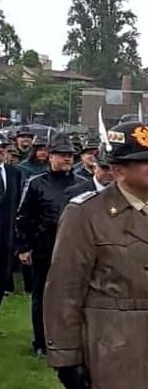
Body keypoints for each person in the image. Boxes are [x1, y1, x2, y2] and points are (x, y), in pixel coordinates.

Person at [43, 121, 148, 389]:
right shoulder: (86, 214)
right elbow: (64, 289)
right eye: (145, 161)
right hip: (114, 348)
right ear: (118, 169)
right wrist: (67, 358)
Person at [14, 131, 79, 356]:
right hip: (44, 248)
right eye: (62, 155)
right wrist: (23, 247)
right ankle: (41, 341)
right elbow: (23, 217)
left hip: (74, 251)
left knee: (72, 297)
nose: (67, 159)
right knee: (41, 296)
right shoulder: (36, 184)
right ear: (50, 156)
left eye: (70, 155)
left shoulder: (82, 184)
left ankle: (67, 341)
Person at [0, 134, 24, 312]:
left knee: (1, 279)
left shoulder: (13, 173)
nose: (1, 152)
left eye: (3, 149)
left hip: (6, 236)